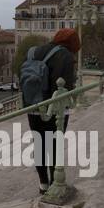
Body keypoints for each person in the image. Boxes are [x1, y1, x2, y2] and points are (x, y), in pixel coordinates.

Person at [23, 28, 78, 194]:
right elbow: (66, 87)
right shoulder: (66, 56)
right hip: (55, 108)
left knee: (39, 145)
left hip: (32, 105)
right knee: (54, 146)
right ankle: (56, 184)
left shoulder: (35, 50)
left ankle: (43, 184)